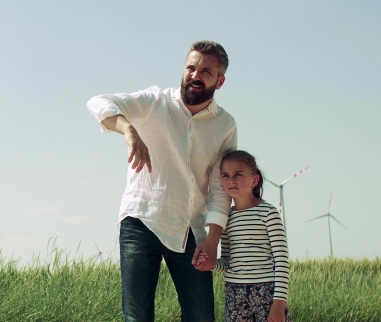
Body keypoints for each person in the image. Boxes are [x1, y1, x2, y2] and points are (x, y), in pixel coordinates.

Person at [86, 40, 237, 322]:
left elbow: (220, 186)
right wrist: (128, 129)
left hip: (191, 229)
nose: (195, 75)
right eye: (191, 67)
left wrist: (214, 237)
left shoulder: (225, 125)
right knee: (138, 317)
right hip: (142, 220)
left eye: (205, 71)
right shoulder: (155, 101)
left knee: (201, 316)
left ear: (220, 81)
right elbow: (98, 103)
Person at [197, 150, 292, 322]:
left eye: (238, 174)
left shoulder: (268, 213)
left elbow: (281, 261)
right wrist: (211, 264)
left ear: (254, 180)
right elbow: (227, 262)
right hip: (235, 294)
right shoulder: (224, 219)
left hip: (267, 294)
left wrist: (279, 303)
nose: (231, 180)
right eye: (225, 175)